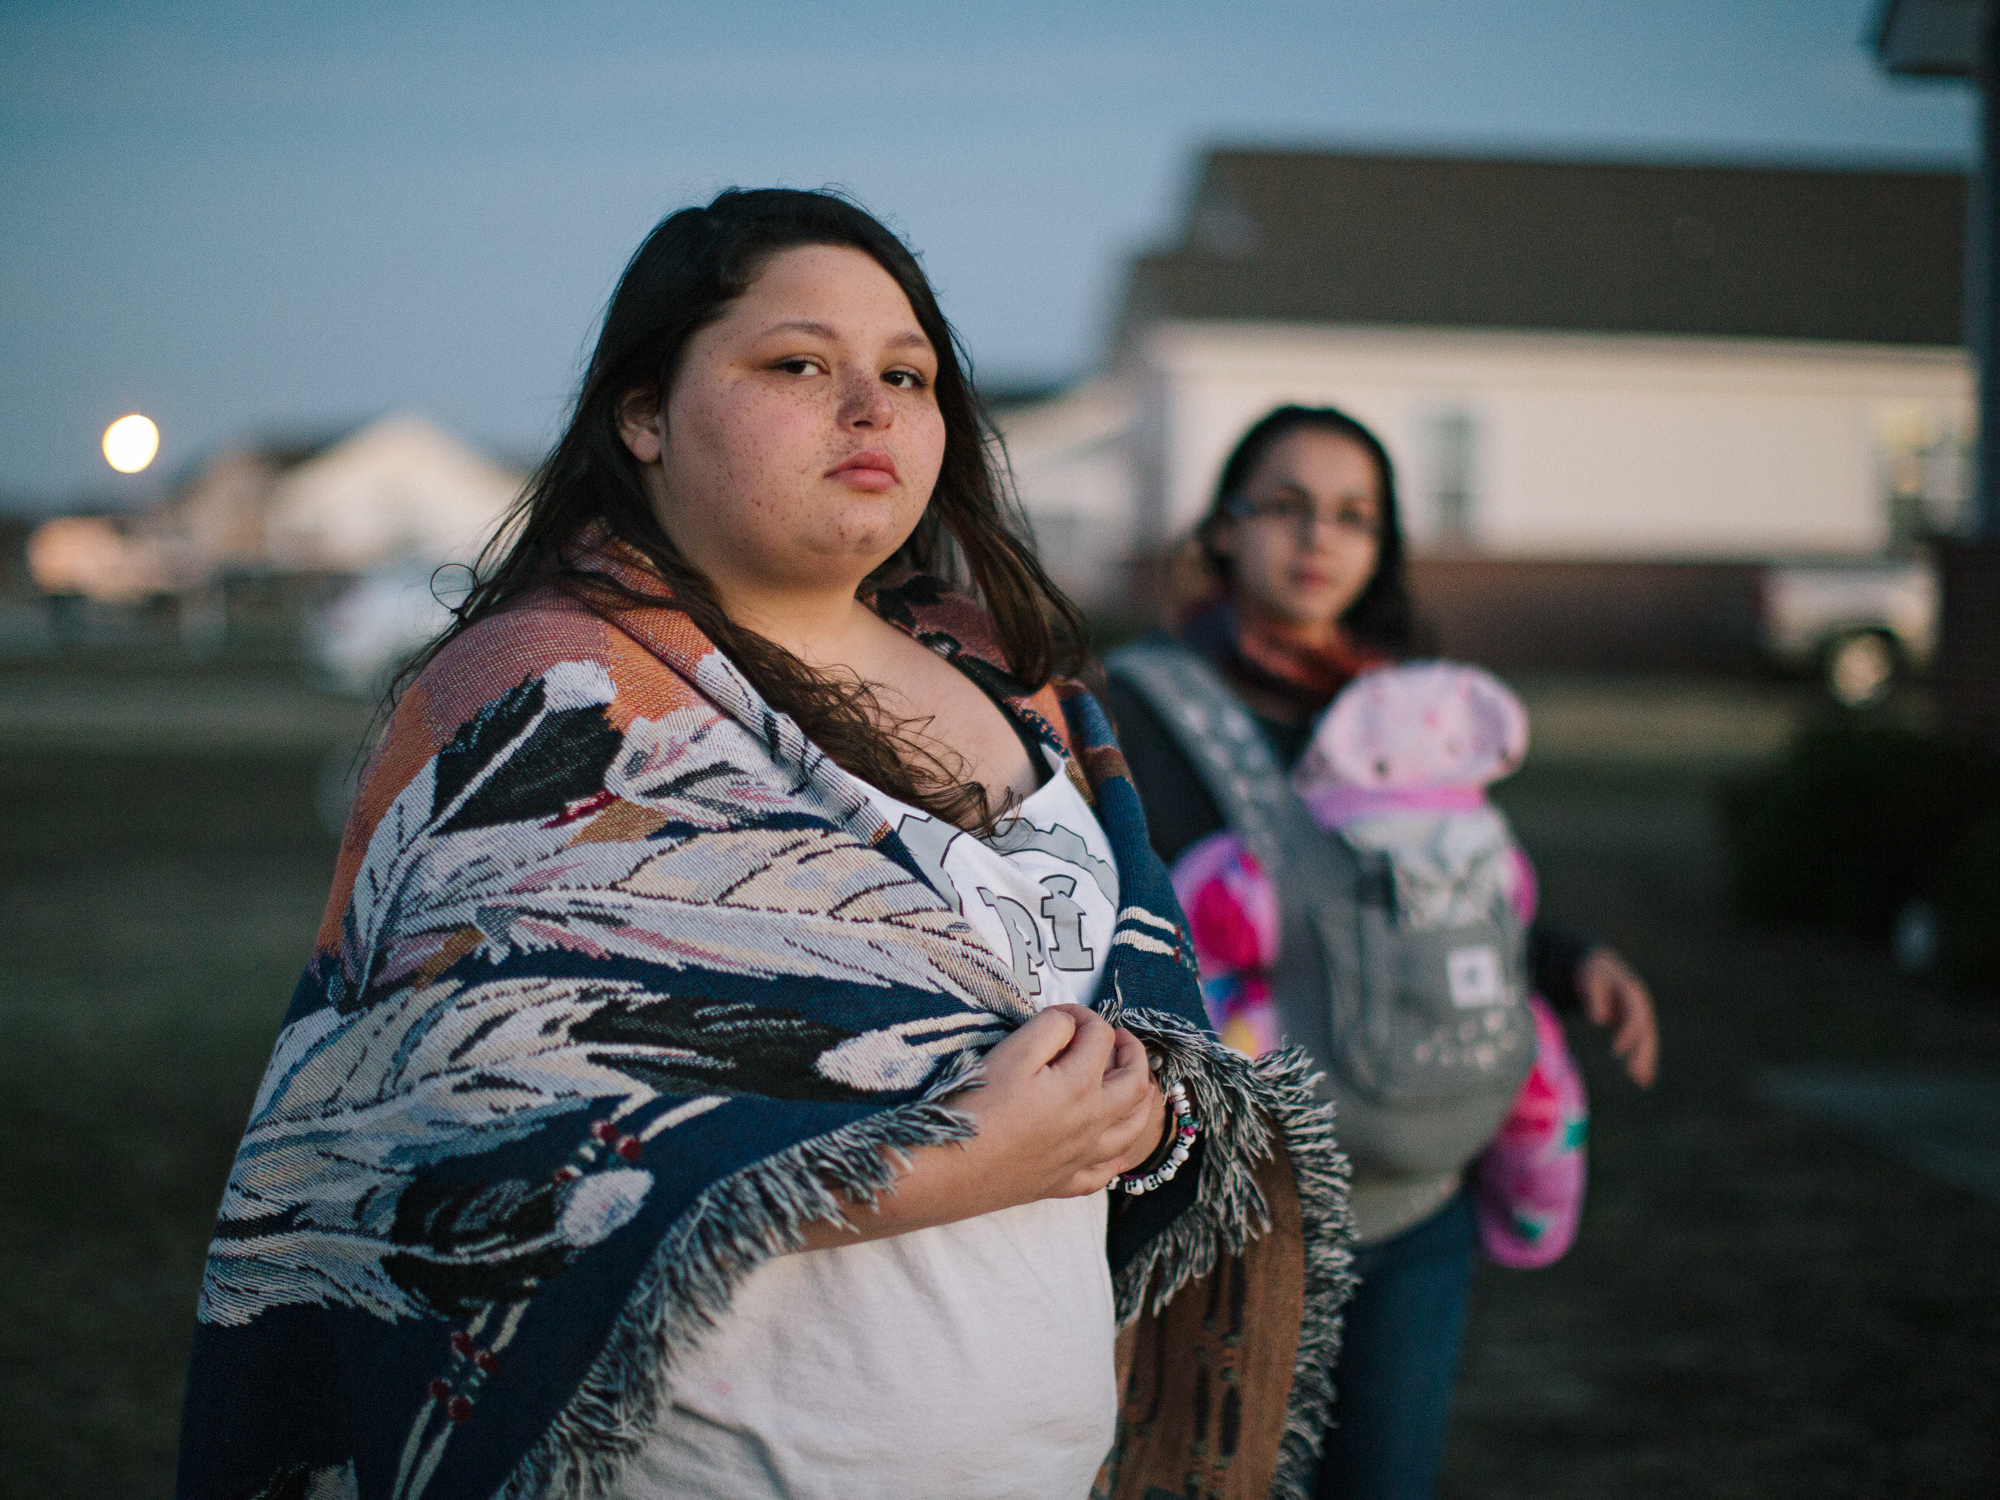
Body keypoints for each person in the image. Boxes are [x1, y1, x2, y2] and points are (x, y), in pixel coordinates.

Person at [176, 193, 1351, 1500]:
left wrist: (1138, 1113)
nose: (871, 407)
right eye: (798, 363)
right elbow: (448, 1140)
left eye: (906, 375)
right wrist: (953, 1157)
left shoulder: (1031, 693)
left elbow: (1123, 1010)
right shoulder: (539, 698)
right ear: (644, 413)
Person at [1101, 404, 1659, 1500]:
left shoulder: (1409, 703)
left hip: (1416, 1192)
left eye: (1354, 516)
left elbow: (1451, 904)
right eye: (1286, 507)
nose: (1320, 540)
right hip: (1237, 1201)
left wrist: (1564, 959)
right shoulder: (1135, 704)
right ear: (1221, 528)